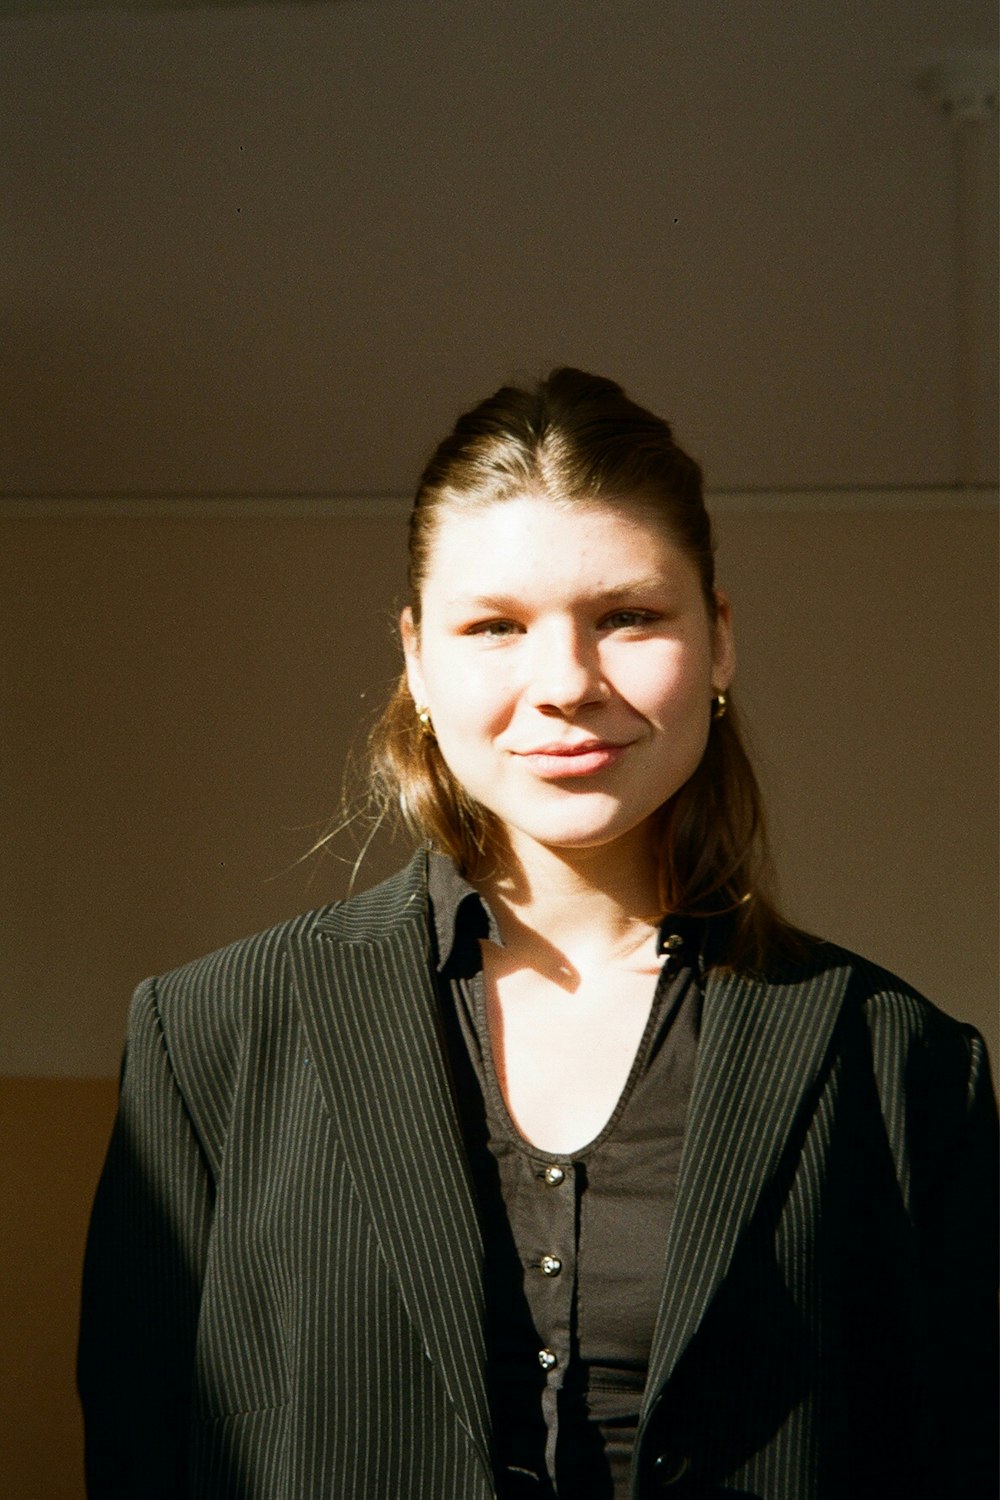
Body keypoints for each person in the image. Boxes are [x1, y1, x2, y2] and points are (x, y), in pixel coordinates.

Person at [78, 369, 997, 1500]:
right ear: (416, 658)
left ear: (718, 639)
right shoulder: (210, 1034)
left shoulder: (898, 1060)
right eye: (495, 627)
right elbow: (138, 1450)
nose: (564, 682)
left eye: (626, 617)